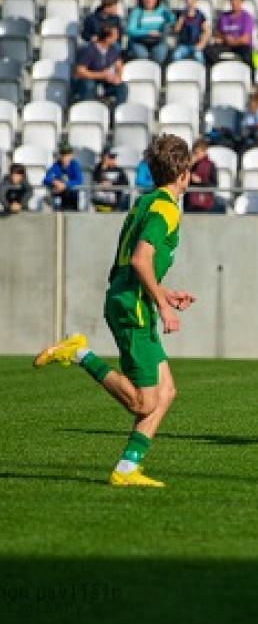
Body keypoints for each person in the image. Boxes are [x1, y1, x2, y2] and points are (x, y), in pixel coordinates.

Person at [33, 134, 196, 487]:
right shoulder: (165, 208)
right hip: (133, 307)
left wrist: (164, 294)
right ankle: (80, 354)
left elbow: (133, 265)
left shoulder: (146, 202)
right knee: (143, 402)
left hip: (130, 298)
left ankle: (126, 468)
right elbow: (140, 260)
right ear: (184, 172)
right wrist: (161, 306)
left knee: (166, 393)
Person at [73, 24, 128, 106]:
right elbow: (80, 71)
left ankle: (116, 112)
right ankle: (88, 110)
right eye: (115, 36)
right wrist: (101, 75)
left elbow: (119, 64)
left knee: (121, 86)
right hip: (88, 78)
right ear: (107, 38)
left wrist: (117, 77)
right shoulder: (89, 50)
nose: (117, 38)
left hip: (105, 79)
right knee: (89, 85)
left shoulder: (112, 49)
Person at [204, 0, 255, 68]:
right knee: (208, 51)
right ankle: (218, 70)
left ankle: (248, 76)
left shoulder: (247, 17)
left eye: (237, 1)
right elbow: (216, 32)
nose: (235, 3)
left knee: (248, 56)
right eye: (233, 0)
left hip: (240, 45)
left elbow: (245, 39)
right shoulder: (224, 16)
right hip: (226, 44)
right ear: (230, 1)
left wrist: (233, 41)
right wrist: (225, 37)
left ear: (242, 2)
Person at [126, 0, 175, 65]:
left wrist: (169, 14)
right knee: (142, 56)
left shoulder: (162, 10)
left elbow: (173, 22)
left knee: (160, 55)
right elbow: (130, 30)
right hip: (139, 41)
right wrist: (148, 32)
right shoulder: (137, 11)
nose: (148, 0)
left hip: (158, 41)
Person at [183, 138, 222, 213]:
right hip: (189, 203)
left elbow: (214, 185)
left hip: (204, 203)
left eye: (197, 153)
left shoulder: (210, 165)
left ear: (204, 152)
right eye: (194, 153)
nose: (195, 155)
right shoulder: (190, 165)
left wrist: (201, 181)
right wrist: (188, 166)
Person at [172, 0, 210, 65]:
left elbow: (206, 31)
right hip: (183, 44)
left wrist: (202, 43)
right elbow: (176, 30)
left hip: (196, 44)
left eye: (192, 1)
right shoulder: (180, 14)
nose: (190, 3)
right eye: (188, 1)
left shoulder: (200, 15)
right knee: (176, 56)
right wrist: (181, 19)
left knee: (199, 57)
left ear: (195, 1)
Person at [44, 143, 84, 211]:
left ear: (71, 155)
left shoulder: (74, 165)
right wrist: (54, 181)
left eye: (67, 155)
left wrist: (65, 185)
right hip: (58, 197)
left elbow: (79, 180)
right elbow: (46, 179)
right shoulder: (56, 165)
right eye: (63, 155)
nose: (65, 158)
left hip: (71, 197)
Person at [91, 147, 130, 212]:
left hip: (115, 203)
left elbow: (125, 183)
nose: (112, 159)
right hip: (101, 203)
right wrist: (103, 166)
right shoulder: (97, 169)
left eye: (114, 157)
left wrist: (112, 184)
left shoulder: (119, 170)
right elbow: (97, 179)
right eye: (110, 157)